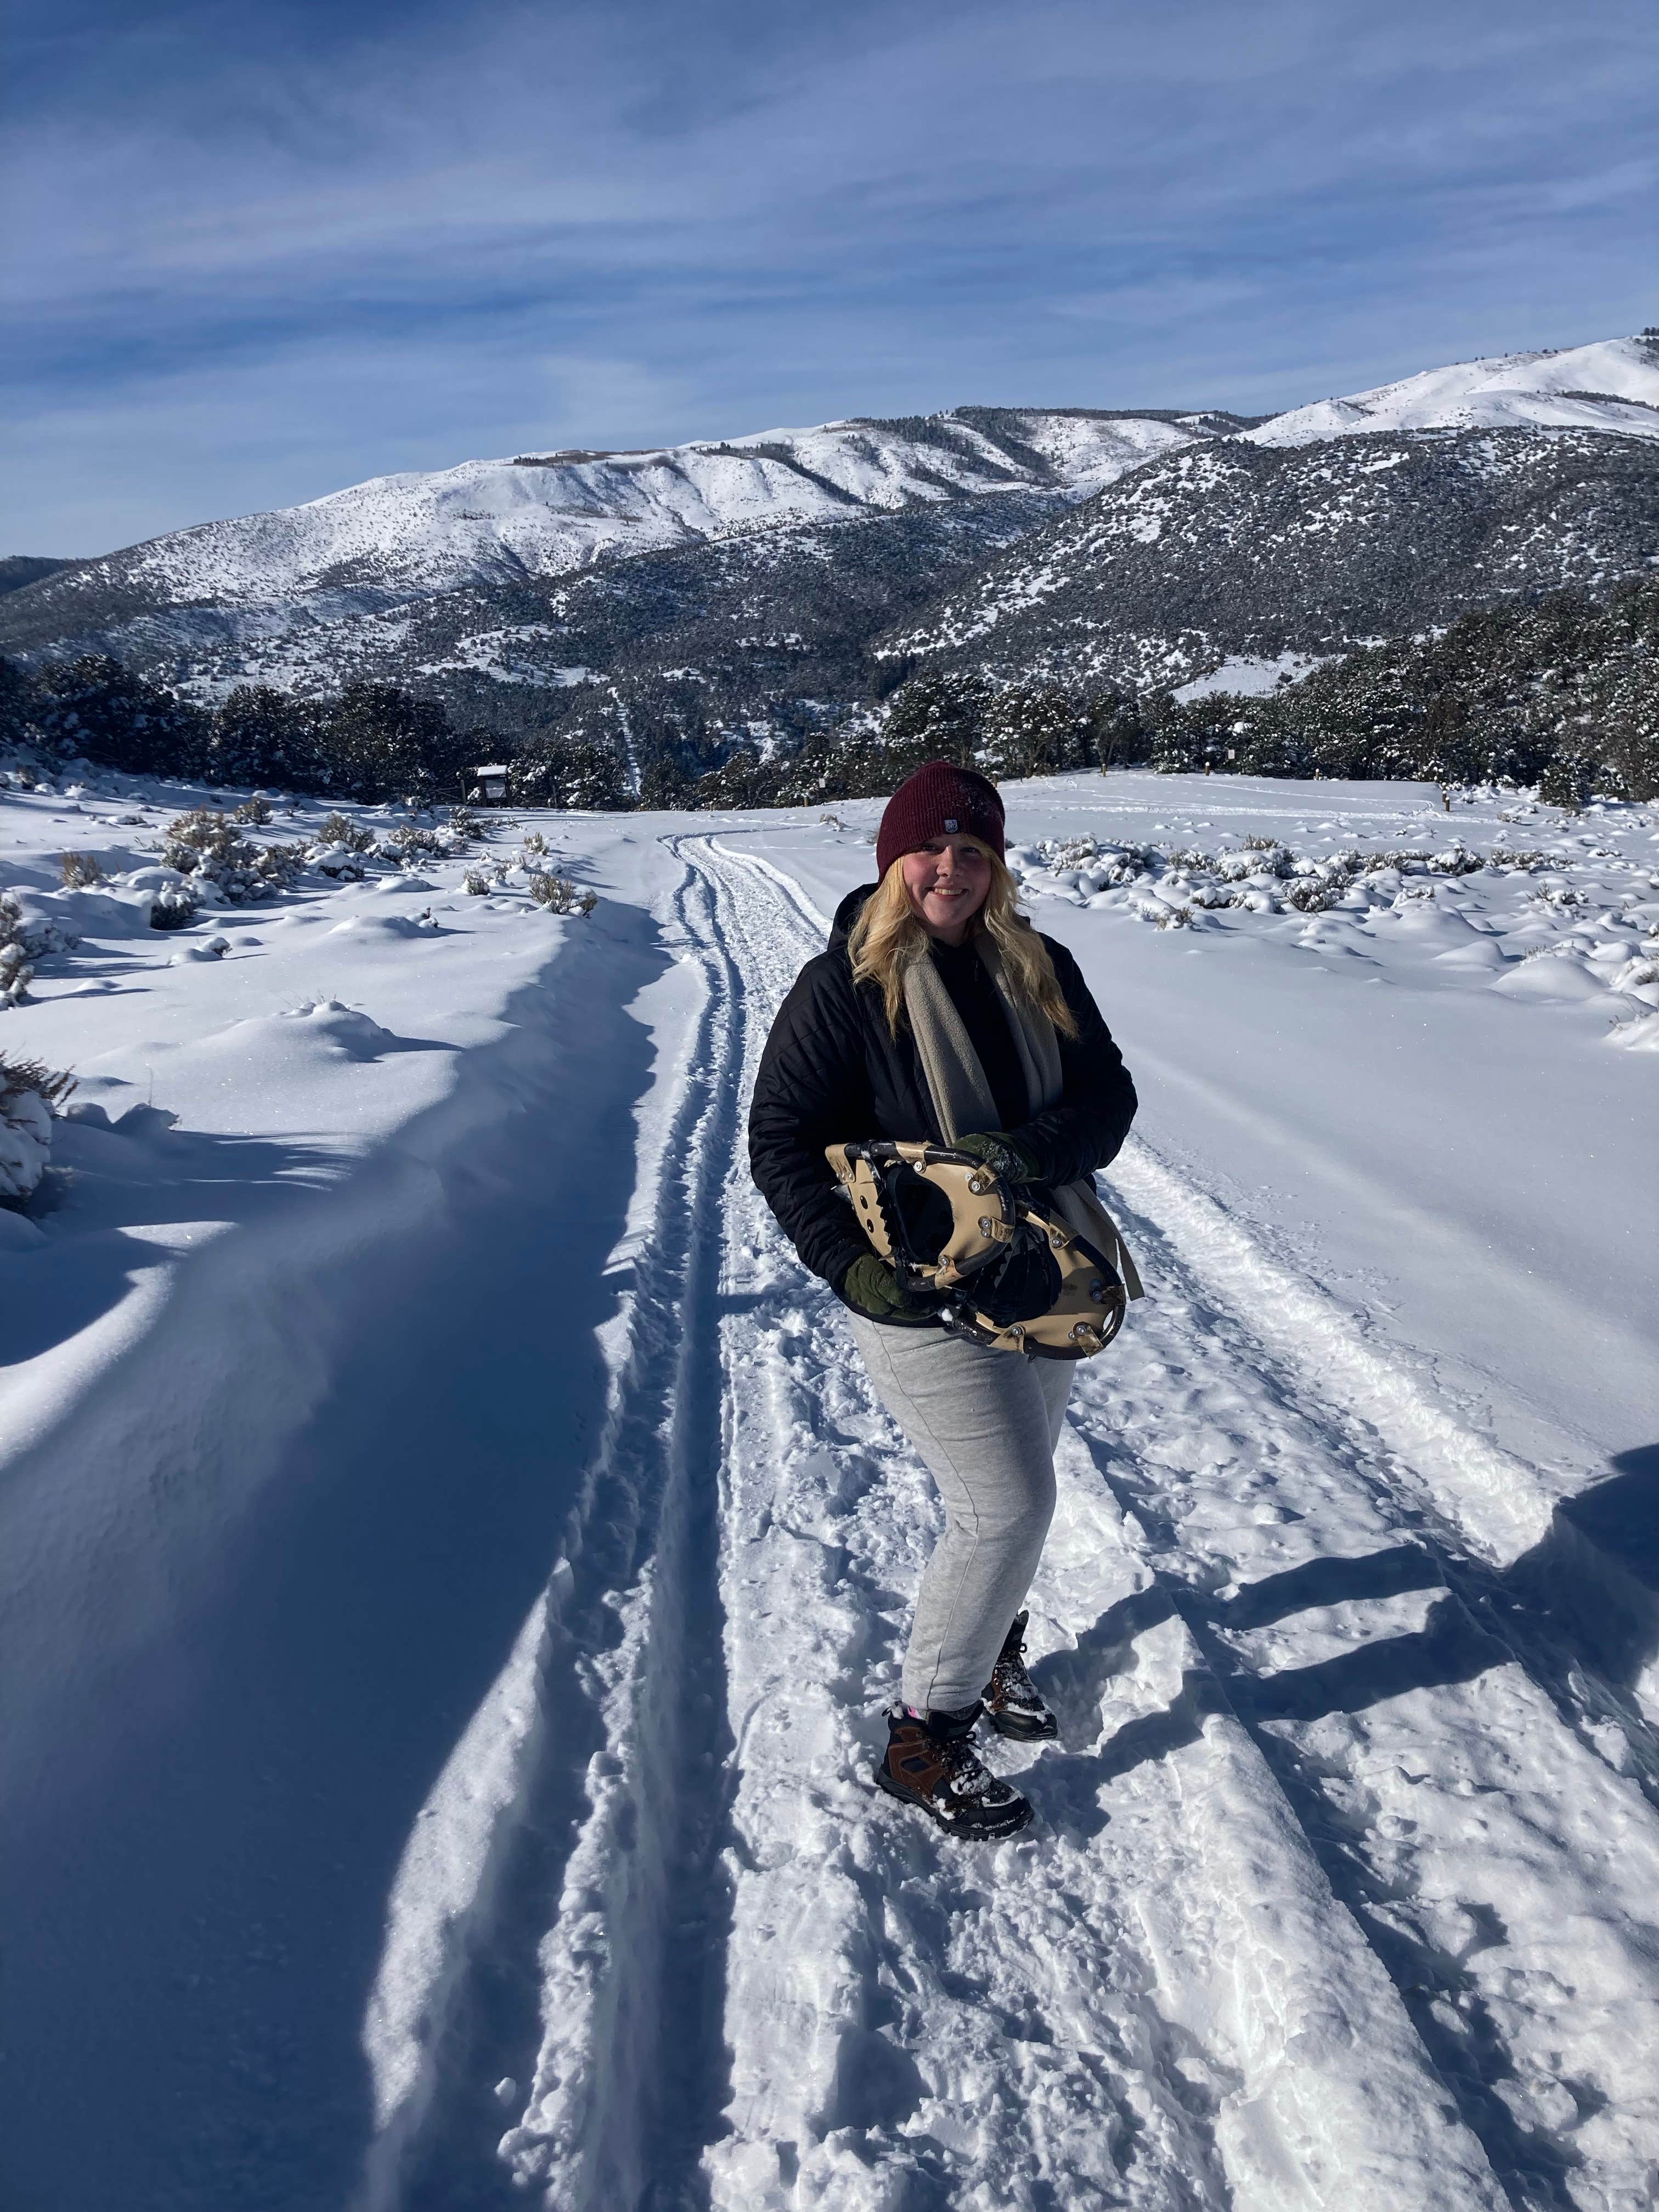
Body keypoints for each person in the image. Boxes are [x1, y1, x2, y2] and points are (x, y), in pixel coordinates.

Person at [748, 760, 1137, 1840]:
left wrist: (1024, 1151)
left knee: (1019, 1494)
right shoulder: (848, 987)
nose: (950, 871)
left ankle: (992, 1646)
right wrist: (852, 1269)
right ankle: (927, 1736)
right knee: (1004, 1506)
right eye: (929, 850)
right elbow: (779, 1143)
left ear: (997, 865)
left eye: (973, 851)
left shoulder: (1038, 965)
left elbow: (1109, 1095)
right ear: (892, 862)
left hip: (1041, 1270)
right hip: (919, 1293)